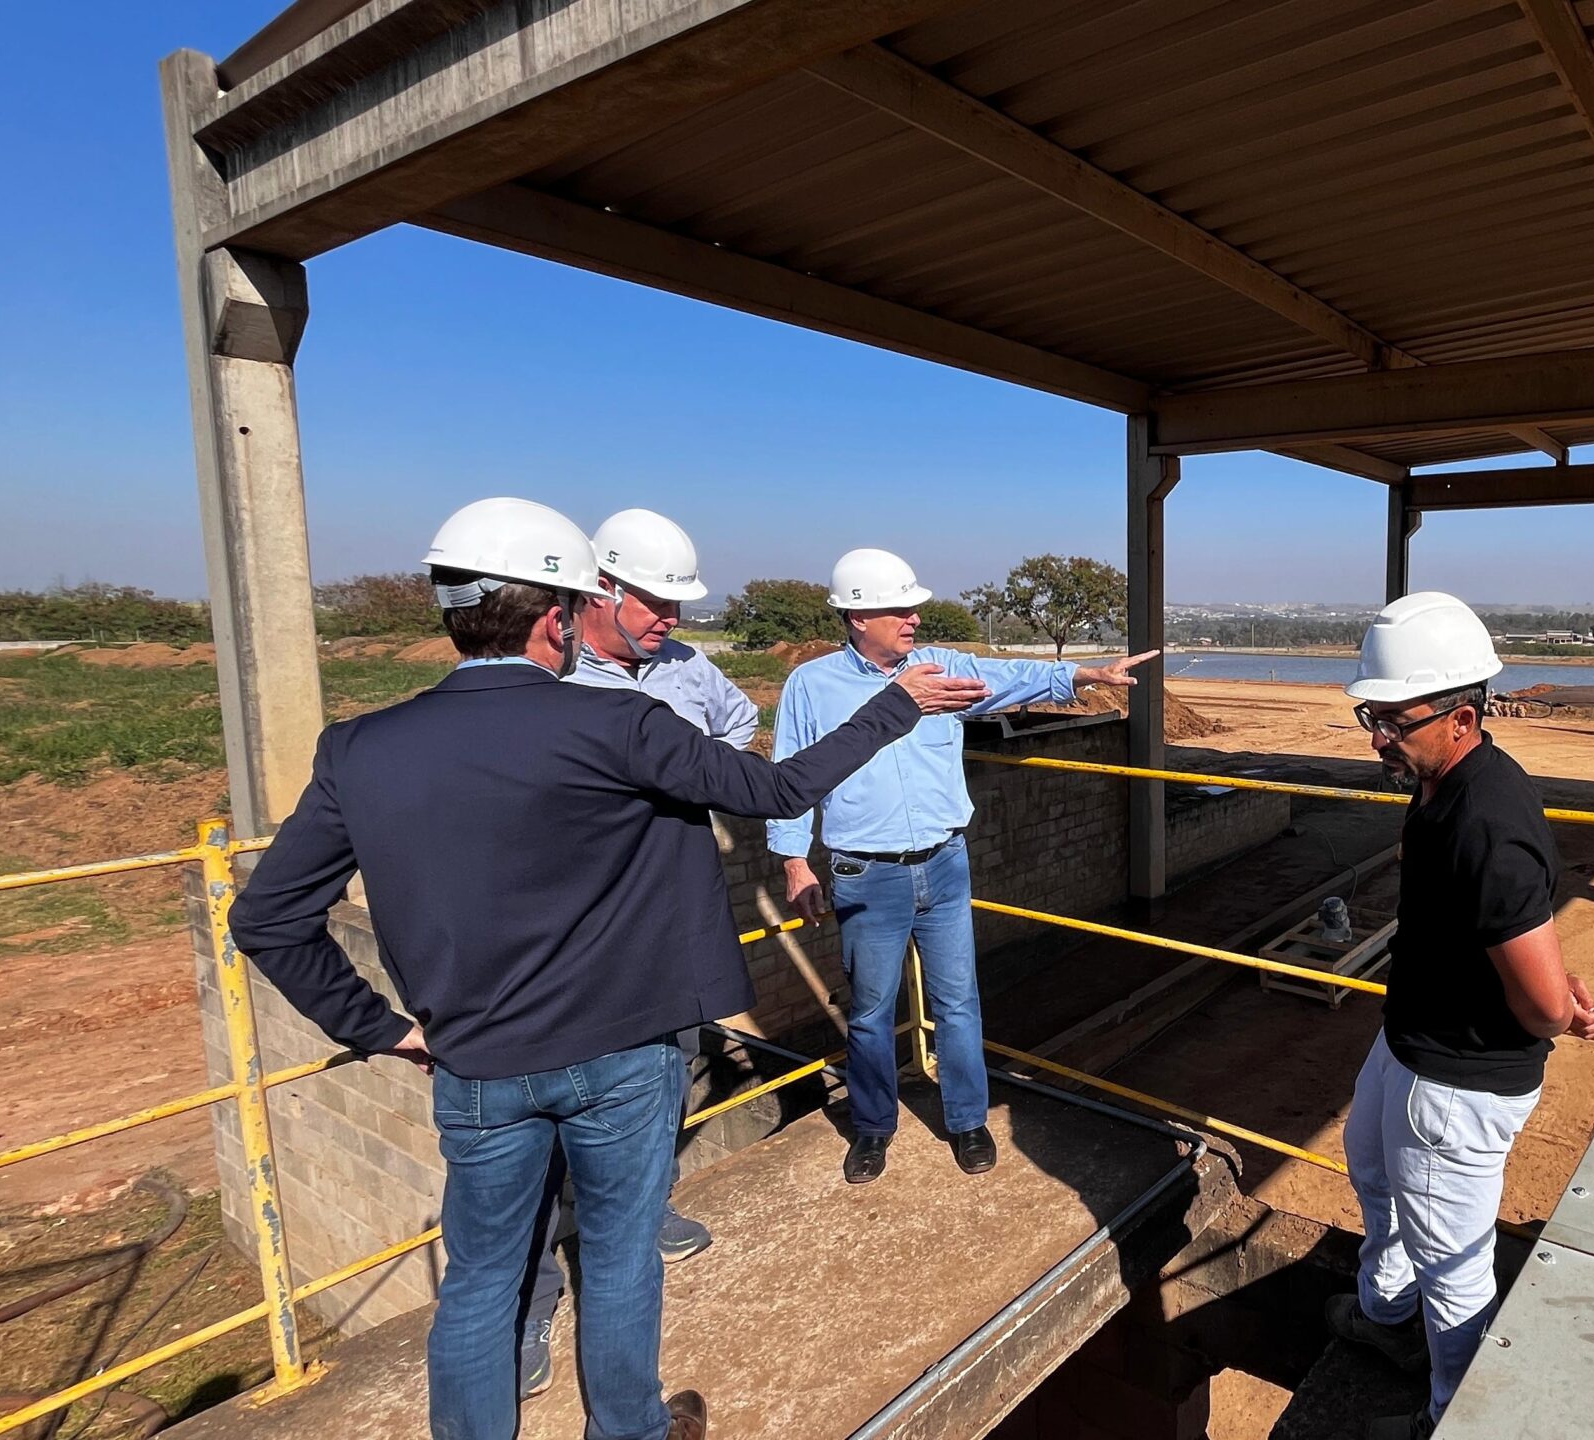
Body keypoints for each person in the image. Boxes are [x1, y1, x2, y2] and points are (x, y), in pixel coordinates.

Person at [229, 500, 989, 1440]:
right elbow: (780, 789)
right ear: (558, 617)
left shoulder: (361, 748)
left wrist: (383, 1029)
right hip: (624, 1053)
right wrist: (898, 705)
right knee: (621, 1261)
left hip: (475, 1065)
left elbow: (266, 918)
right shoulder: (618, 724)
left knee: (479, 1287)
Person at [1322, 591, 1594, 1440]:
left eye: (1393, 718)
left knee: (1455, 1264)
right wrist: (1552, 979)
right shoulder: (1441, 781)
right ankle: (1387, 1320)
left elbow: (1534, 999)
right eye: (1371, 714)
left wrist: (1558, 1006)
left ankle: (1449, 1417)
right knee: (1373, 1173)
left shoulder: (1487, 817)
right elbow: (1504, 933)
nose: (1378, 735)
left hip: (1457, 1082)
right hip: (1412, 1043)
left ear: (1460, 714)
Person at [768, 548, 1155, 1185]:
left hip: (945, 864)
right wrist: (793, 862)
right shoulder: (812, 686)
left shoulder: (941, 669)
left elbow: (1010, 676)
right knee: (868, 1011)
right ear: (857, 616)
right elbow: (789, 777)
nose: (914, 617)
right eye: (899, 608)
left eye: (915, 606)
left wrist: (1087, 675)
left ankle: (968, 1121)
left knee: (959, 1002)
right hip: (868, 873)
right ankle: (871, 1128)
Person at [510, 508, 757, 1401]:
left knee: (662, 1078)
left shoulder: (689, 671)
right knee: (533, 1139)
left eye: (680, 606)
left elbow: (738, 727)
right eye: (657, 603)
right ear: (598, 591)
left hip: (661, 922)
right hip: (569, 936)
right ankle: (528, 1311)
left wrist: (691, 789)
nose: (673, 621)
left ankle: (645, 1211)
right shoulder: (544, 675)